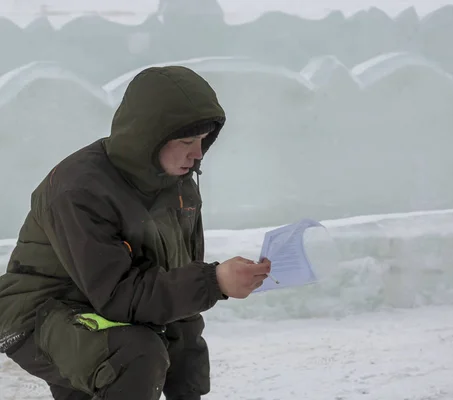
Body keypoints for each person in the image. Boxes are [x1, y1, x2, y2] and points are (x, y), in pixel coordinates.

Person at [0, 65, 271, 400]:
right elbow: (120, 296)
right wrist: (212, 281)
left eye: (203, 140)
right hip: (40, 316)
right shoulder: (79, 190)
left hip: (101, 315)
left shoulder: (178, 186)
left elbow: (175, 297)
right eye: (186, 140)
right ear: (149, 136)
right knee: (135, 356)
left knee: (162, 335)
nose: (198, 153)